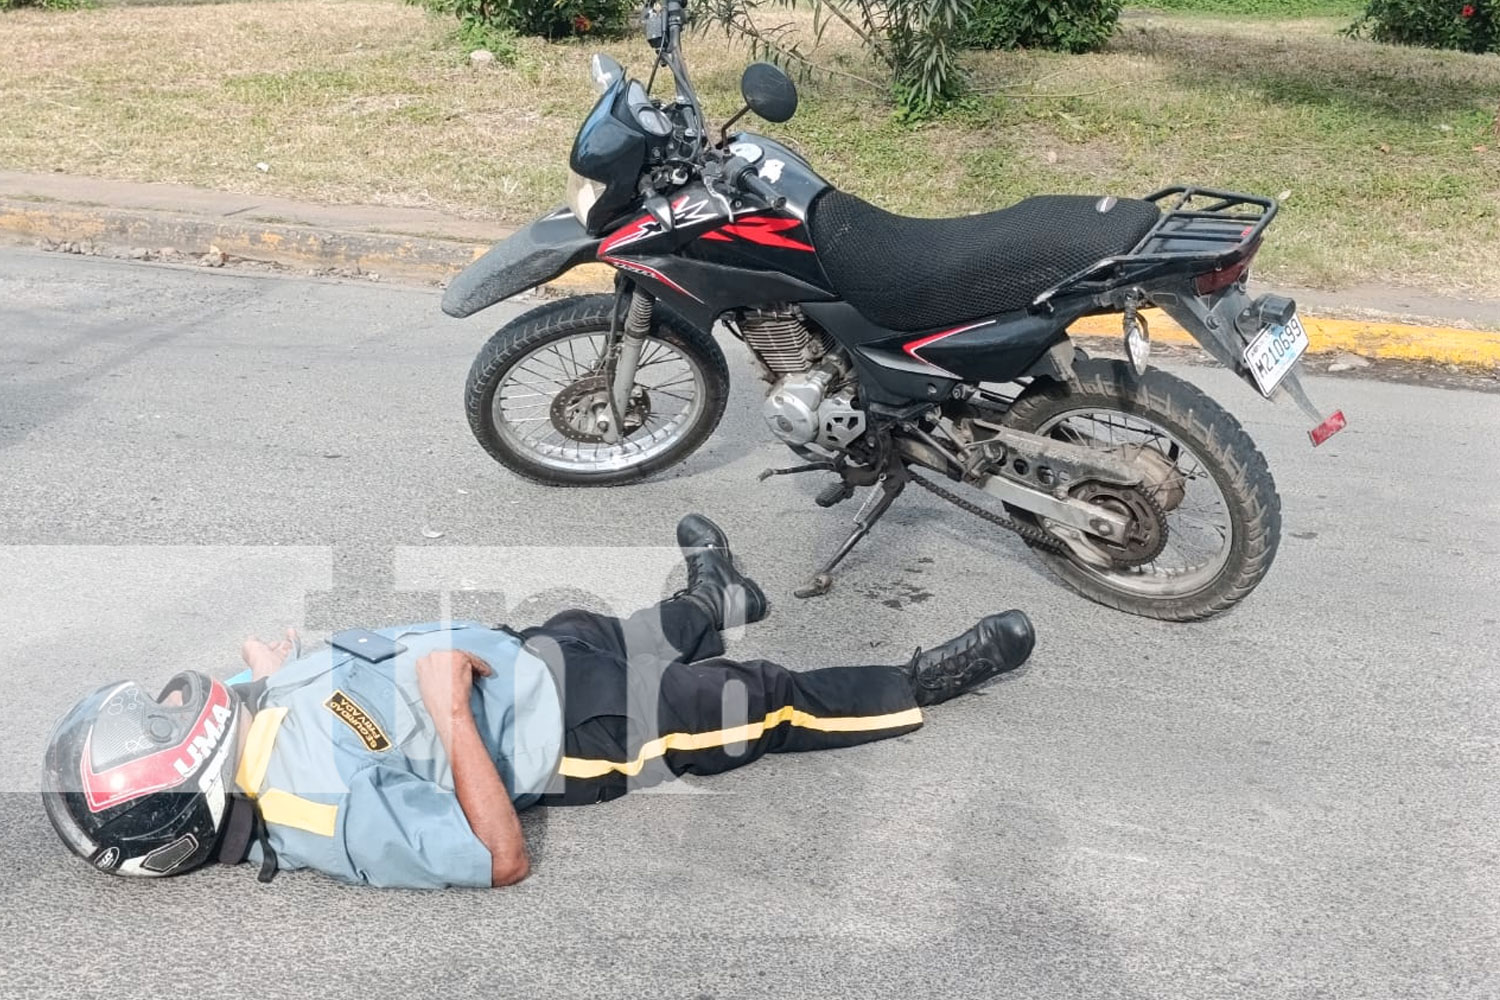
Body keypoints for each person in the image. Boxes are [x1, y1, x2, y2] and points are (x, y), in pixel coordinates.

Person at [41, 515, 1035, 889]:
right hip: (577, 737)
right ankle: (919, 685)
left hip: (526, 662)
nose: (168, 709)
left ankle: (715, 596)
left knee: (601, 626)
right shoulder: (325, 820)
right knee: (755, 698)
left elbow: (349, 701)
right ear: (183, 782)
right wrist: (455, 711)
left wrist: (289, 665)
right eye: (155, 730)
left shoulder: (259, 727)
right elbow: (496, 856)